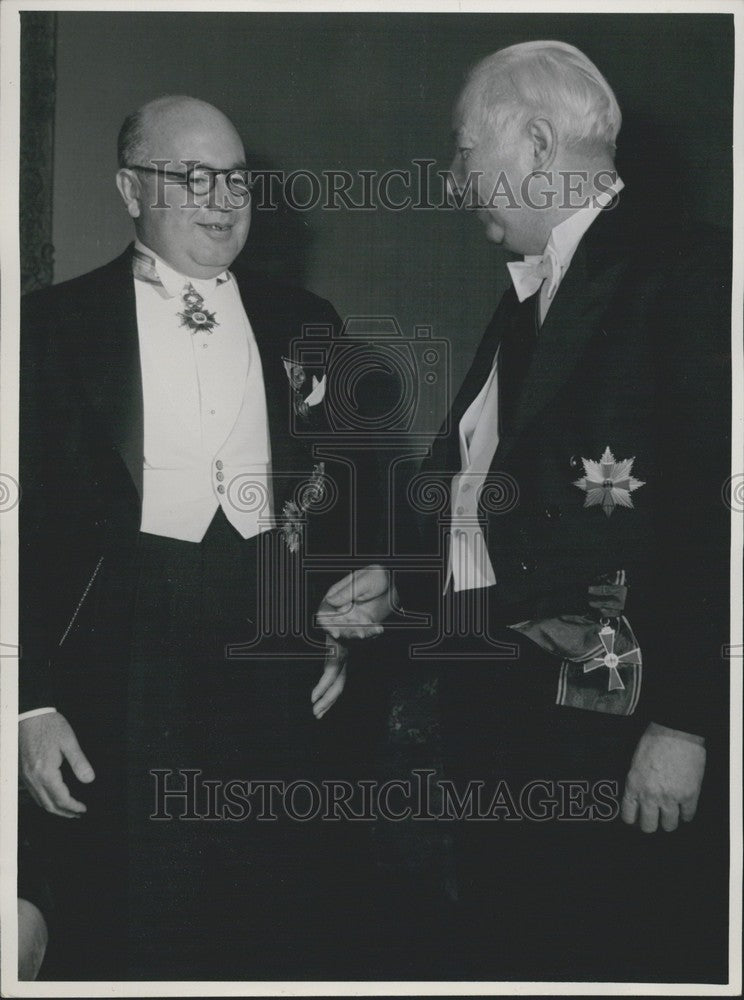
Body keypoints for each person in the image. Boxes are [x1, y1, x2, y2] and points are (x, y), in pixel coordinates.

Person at [320, 41, 731, 980]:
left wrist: (686, 722)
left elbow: (720, 519)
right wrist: (400, 581)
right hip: (512, 720)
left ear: (538, 144)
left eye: (466, 151)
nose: (454, 180)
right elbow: (483, 492)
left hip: (614, 730)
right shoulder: (537, 290)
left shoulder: (690, 272)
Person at [19, 95, 362, 980]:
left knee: (273, 911)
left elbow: (338, 495)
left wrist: (329, 623)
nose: (222, 200)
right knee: (134, 912)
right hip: (117, 652)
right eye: (193, 177)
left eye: (236, 180)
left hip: (269, 648)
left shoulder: (308, 320)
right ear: (130, 190)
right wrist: (29, 703)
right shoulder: (46, 328)